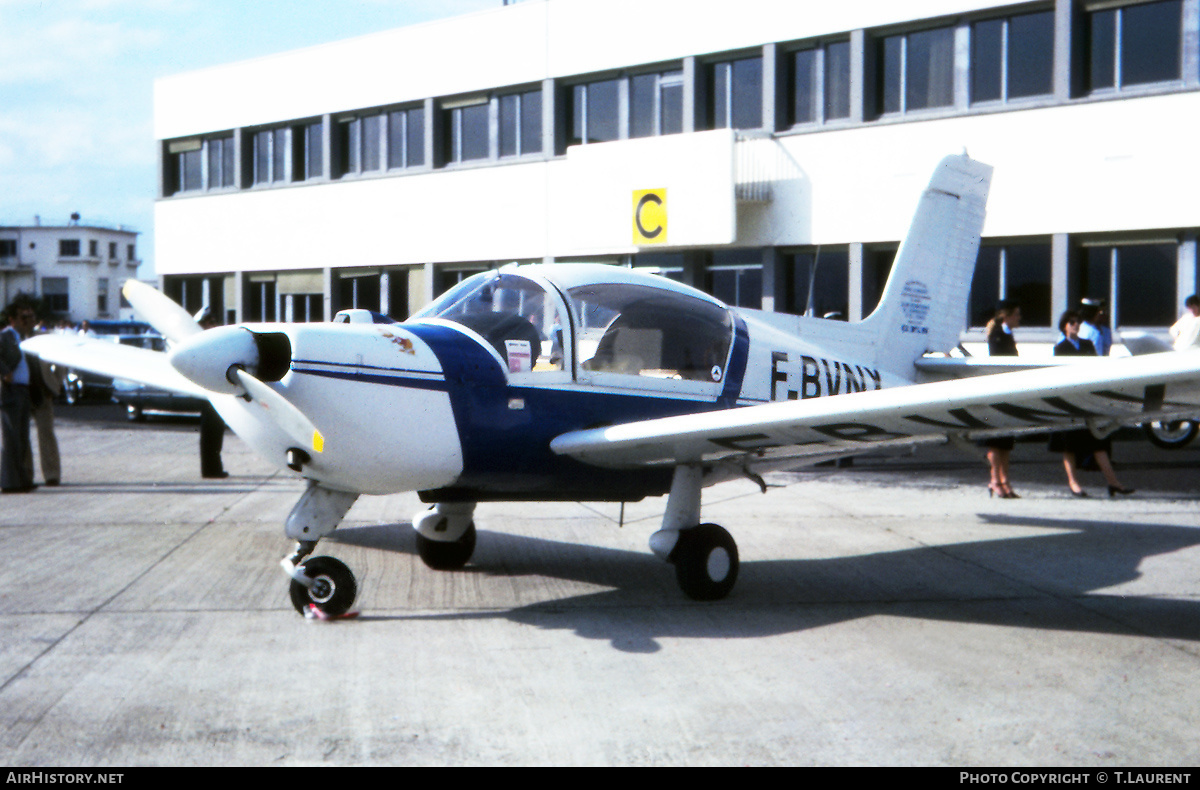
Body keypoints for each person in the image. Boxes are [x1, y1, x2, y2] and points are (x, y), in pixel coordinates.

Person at [1049, 310, 1133, 498]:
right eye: (1071, 322)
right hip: (1070, 401)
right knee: (1069, 446)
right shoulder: (1060, 348)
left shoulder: (1087, 344)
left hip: (1087, 400)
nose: (1075, 325)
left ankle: (1114, 482)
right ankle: (1074, 483)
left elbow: (1095, 367)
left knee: (1098, 442)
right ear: (1064, 325)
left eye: (1078, 321)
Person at [1, 298, 38, 493]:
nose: (28, 321)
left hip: (23, 390)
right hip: (11, 391)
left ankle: (22, 479)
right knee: (12, 438)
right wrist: (5, 371)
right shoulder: (6, 336)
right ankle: (9, 482)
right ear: (13, 319)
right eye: (24, 317)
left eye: (30, 317)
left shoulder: (22, 338)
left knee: (22, 438)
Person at [984, 300, 1020, 498]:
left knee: (1006, 441)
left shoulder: (1006, 333)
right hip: (998, 389)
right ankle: (995, 480)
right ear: (1007, 315)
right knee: (996, 441)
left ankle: (1004, 480)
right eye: (1016, 314)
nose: (1019, 318)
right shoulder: (997, 334)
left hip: (1008, 389)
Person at [197, 308, 228, 479]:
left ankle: (213, 468)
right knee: (211, 433)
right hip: (210, 393)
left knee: (215, 433)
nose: (214, 324)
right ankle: (211, 470)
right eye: (210, 321)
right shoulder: (204, 343)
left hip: (215, 392)